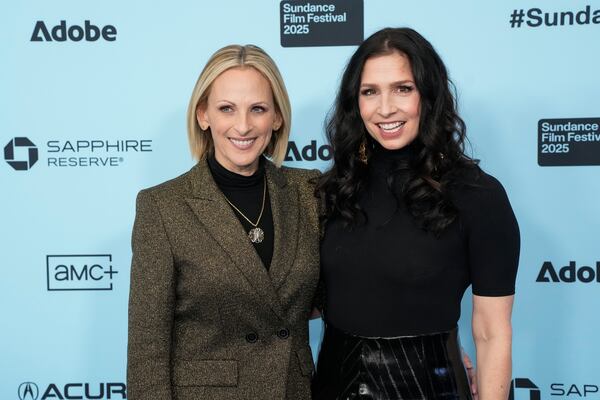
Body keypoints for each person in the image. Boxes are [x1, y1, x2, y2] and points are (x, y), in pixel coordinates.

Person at [313, 28, 520, 400]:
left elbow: (492, 333)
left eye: (402, 89)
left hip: (431, 386)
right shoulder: (332, 192)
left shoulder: (478, 196)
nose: (385, 107)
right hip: (333, 385)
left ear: (429, 94)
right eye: (370, 91)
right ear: (354, 103)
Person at [127, 44, 320, 400]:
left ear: (277, 117)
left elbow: (346, 288)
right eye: (226, 108)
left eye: (258, 109)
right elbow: (147, 352)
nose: (243, 126)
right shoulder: (162, 206)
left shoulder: (309, 191)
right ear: (203, 115)